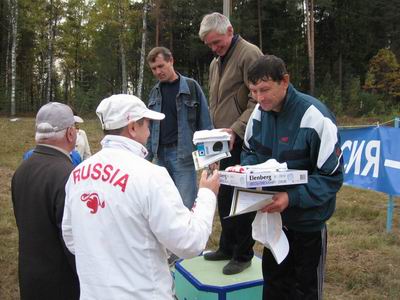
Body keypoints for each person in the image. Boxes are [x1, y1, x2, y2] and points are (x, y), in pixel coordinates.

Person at [62, 94, 220, 299]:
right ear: (133, 127)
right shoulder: (150, 175)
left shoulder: (77, 174)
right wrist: (208, 194)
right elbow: (189, 242)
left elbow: (71, 237)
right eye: (148, 125)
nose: (150, 132)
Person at [241, 54, 343, 299]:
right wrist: (247, 175)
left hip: (308, 224)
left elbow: (331, 177)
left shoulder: (316, 117)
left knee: (304, 291)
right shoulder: (258, 113)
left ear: (284, 81)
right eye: (253, 91)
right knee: (274, 287)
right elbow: (249, 152)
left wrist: (291, 197)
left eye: (264, 89)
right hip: (273, 224)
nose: (259, 98)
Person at [198, 12, 263, 275]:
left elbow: (257, 98)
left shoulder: (250, 53)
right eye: (210, 45)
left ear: (230, 30)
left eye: (217, 42)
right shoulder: (216, 63)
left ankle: (244, 253)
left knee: (240, 196)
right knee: (223, 195)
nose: (214, 48)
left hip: (242, 139)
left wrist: (237, 129)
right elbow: (217, 102)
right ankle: (227, 245)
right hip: (220, 140)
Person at [11, 102, 80, 300]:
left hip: (30, 276)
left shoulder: (21, 170)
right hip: (61, 284)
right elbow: (72, 241)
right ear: (70, 134)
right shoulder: (68, 175)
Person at [146, 46, 213, 209]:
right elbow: (149, 128)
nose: (157, 71)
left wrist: (210, 157)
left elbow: (205, 123)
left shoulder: (191, 87)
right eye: (154, 69)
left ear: (171, 61)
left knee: (185, 203)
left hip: (183, 155)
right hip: (159, 155)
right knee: (163, 205)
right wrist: (146, 158)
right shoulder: (154, 93)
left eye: (161, 66)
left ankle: (189, 233)